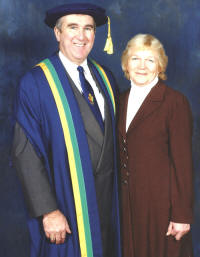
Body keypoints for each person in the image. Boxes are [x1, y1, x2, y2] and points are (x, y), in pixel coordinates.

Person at [12, 3, 121, 257]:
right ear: (58, 33)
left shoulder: (106, 77)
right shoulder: (36, 82)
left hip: (108, 206)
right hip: (68, 207)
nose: (81, 37)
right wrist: (48, 211)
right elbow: (24, 152)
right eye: (73, 27)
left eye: (88, 28)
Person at [118, 34, 194, 257]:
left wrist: (182, 215)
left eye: (150, 60)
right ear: (125, 64)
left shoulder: (174, 102)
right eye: (135, 59)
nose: (142, 66)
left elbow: (183, 163)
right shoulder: (118, 100)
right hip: (126, 205)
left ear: (160, 65)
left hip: (161, 206)